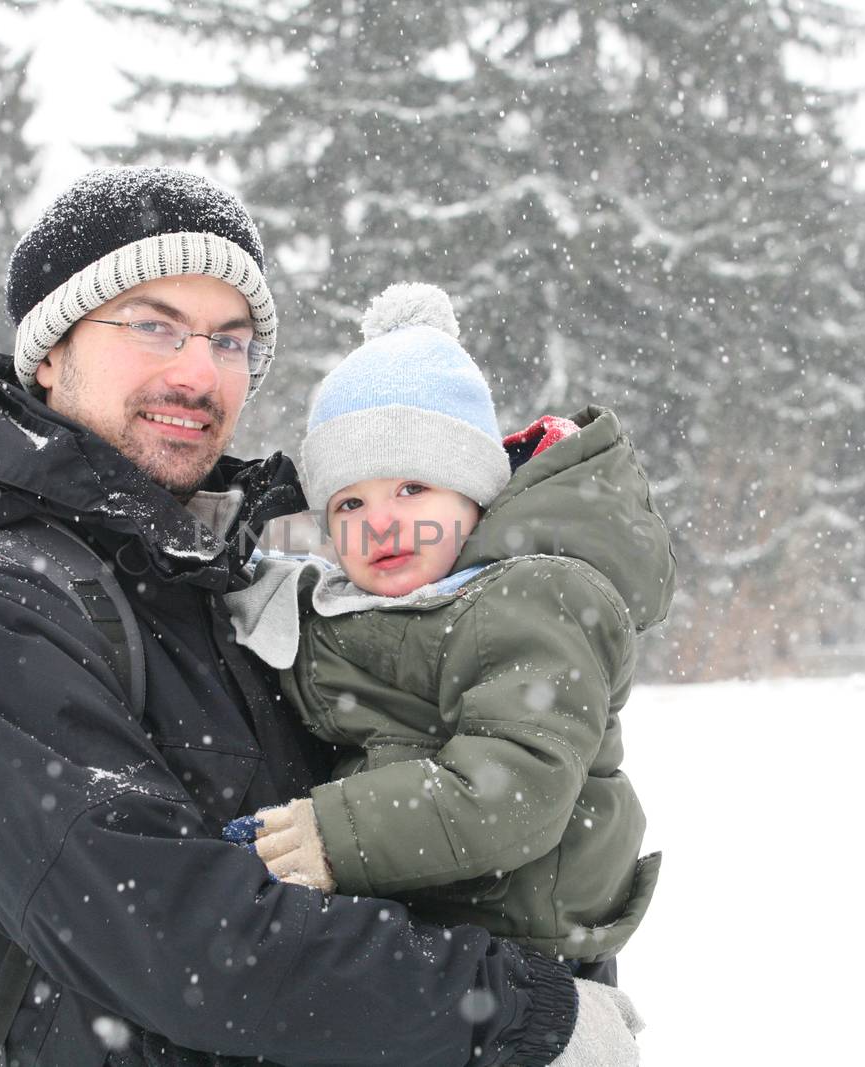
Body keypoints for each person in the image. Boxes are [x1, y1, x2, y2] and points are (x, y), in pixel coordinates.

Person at [0, 166, 642, 1066]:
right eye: (154, 325)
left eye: (229, 341)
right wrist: (514, 1011)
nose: (198, 372)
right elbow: (188, 943)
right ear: (49, 352)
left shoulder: (255, 591)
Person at [220, 283, 672, 974]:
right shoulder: (396, 602)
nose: (381, 522)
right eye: (349, 502)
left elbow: (513, 788)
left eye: (411, 489)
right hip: (443, 927)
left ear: (474, 492)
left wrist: (332, 835)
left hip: (523, 939)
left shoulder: (532, 597)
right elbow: (329, 657)